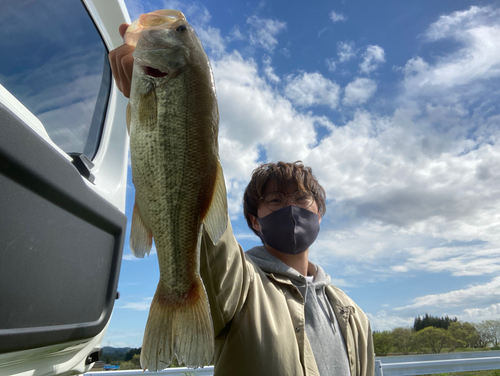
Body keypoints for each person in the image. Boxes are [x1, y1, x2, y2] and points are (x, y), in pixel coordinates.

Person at [109, 23, 374, 376]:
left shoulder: (353, 316)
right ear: (254, 220)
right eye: (276, 201)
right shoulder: (243, 288)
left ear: (320, 212)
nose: (291, 208)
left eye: (301, 198)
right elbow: (208, 242)